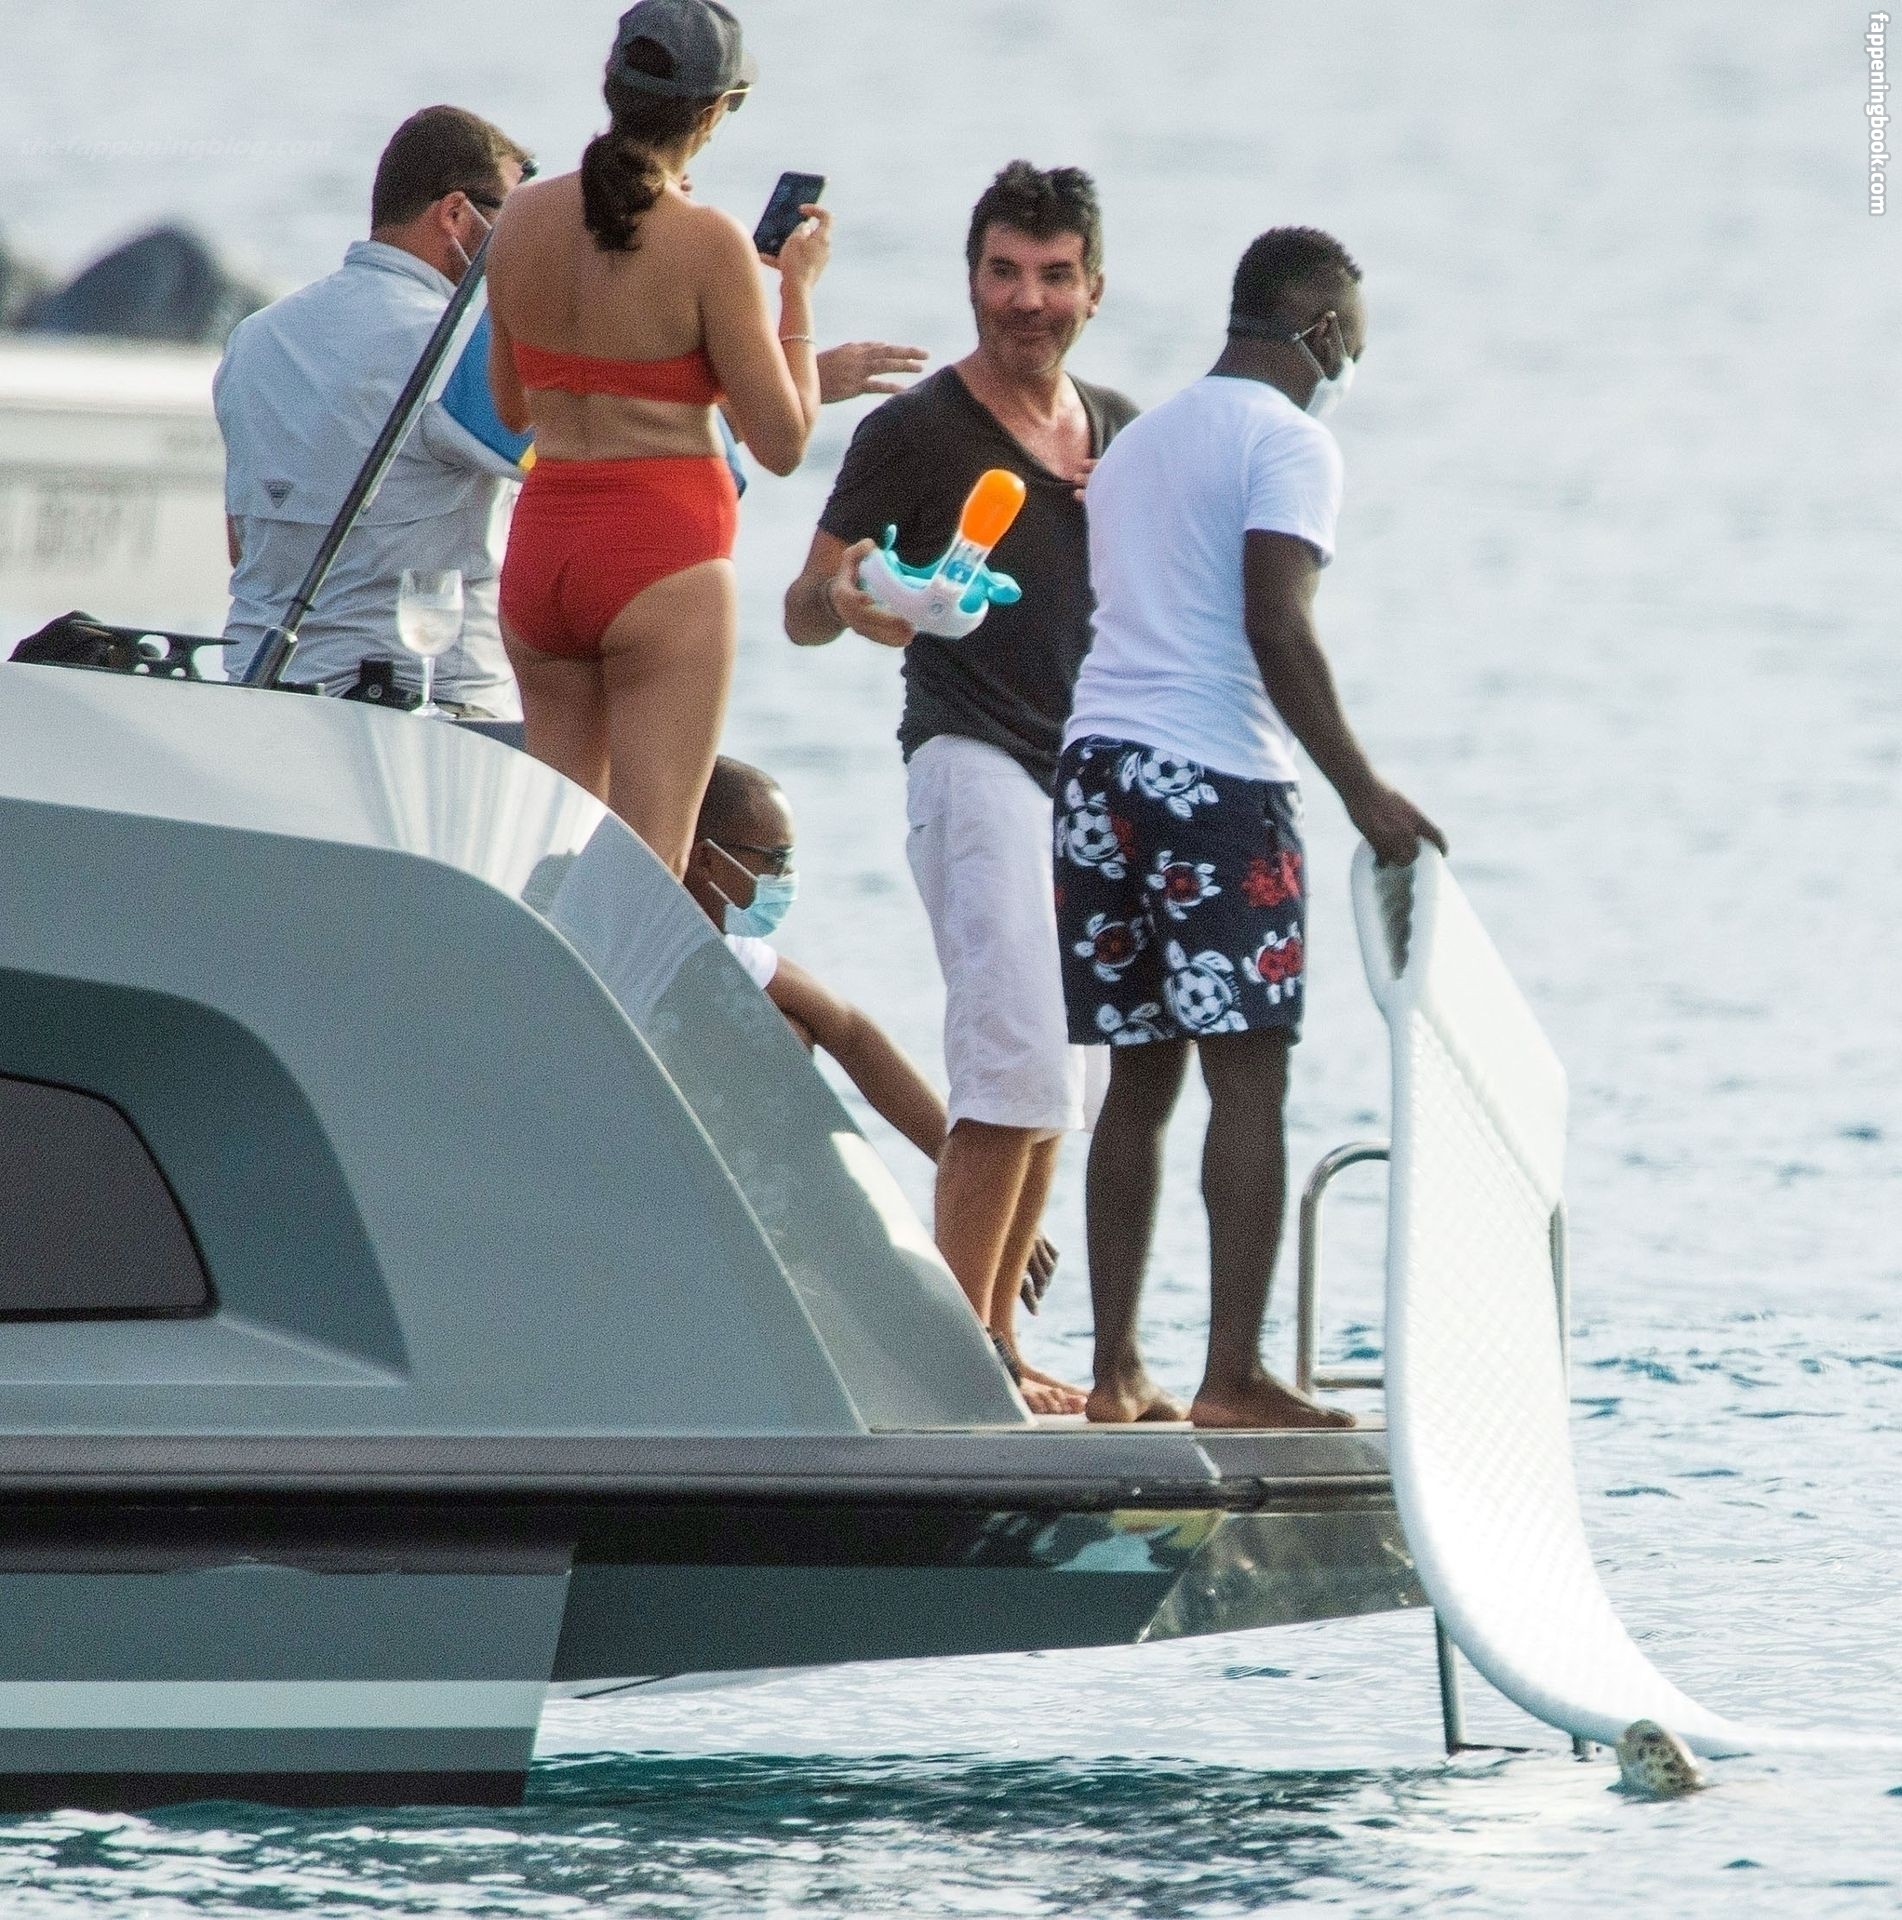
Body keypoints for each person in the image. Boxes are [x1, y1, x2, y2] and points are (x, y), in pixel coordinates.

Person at [1056, 227, 1446, 1430]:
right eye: (1353, 339)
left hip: (1096, 769)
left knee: (1138, 1078)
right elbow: (1275, 622)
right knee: (1248, 1077)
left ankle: (1116, 1373)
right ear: (1321, 327)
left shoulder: (1139, 442)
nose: (1351, 361)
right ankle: (1230, 1378)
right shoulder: (1290, 441)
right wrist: (1364, 791)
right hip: (1213, 779)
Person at [782, 161, 1138, 1416]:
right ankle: (956, 1357)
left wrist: (1138, 511)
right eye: (1003, 272)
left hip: (1088, 787)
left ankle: (996, 1345)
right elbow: (804, 607)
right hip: (970, 756)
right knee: (1014, 1060)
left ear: (1094, 289)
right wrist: (861, 596)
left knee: (1070, 1081)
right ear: (972, 277)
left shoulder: (1121, 434)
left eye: (1054, 275)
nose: (1026, 299)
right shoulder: (916, 432)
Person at [487, 0, 829, 875]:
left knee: (551, 865)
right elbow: (783, 442)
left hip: (543, 554)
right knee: (646, 877)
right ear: (712, 112)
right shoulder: (709, 242)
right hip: (659, 558)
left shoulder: (520, 217)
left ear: (613, 88)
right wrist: (795, 292)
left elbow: (511, 407)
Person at [686, 757, 1057, 1354]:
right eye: (774, 860)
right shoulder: (647, 937)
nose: (787, 878)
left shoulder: (729, 949)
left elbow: (854, 1033)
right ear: (706, 858)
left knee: (793, 1025)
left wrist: (981, 1180)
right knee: (780, 1032)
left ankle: (835, 1277)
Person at [216, 106, 532, 714]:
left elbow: (242, 543)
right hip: (430, 707)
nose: (525, 242)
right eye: (515, 219)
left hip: (260, 696)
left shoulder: (254, 339)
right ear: (455, 214)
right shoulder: (455, 345)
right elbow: (586, 456)